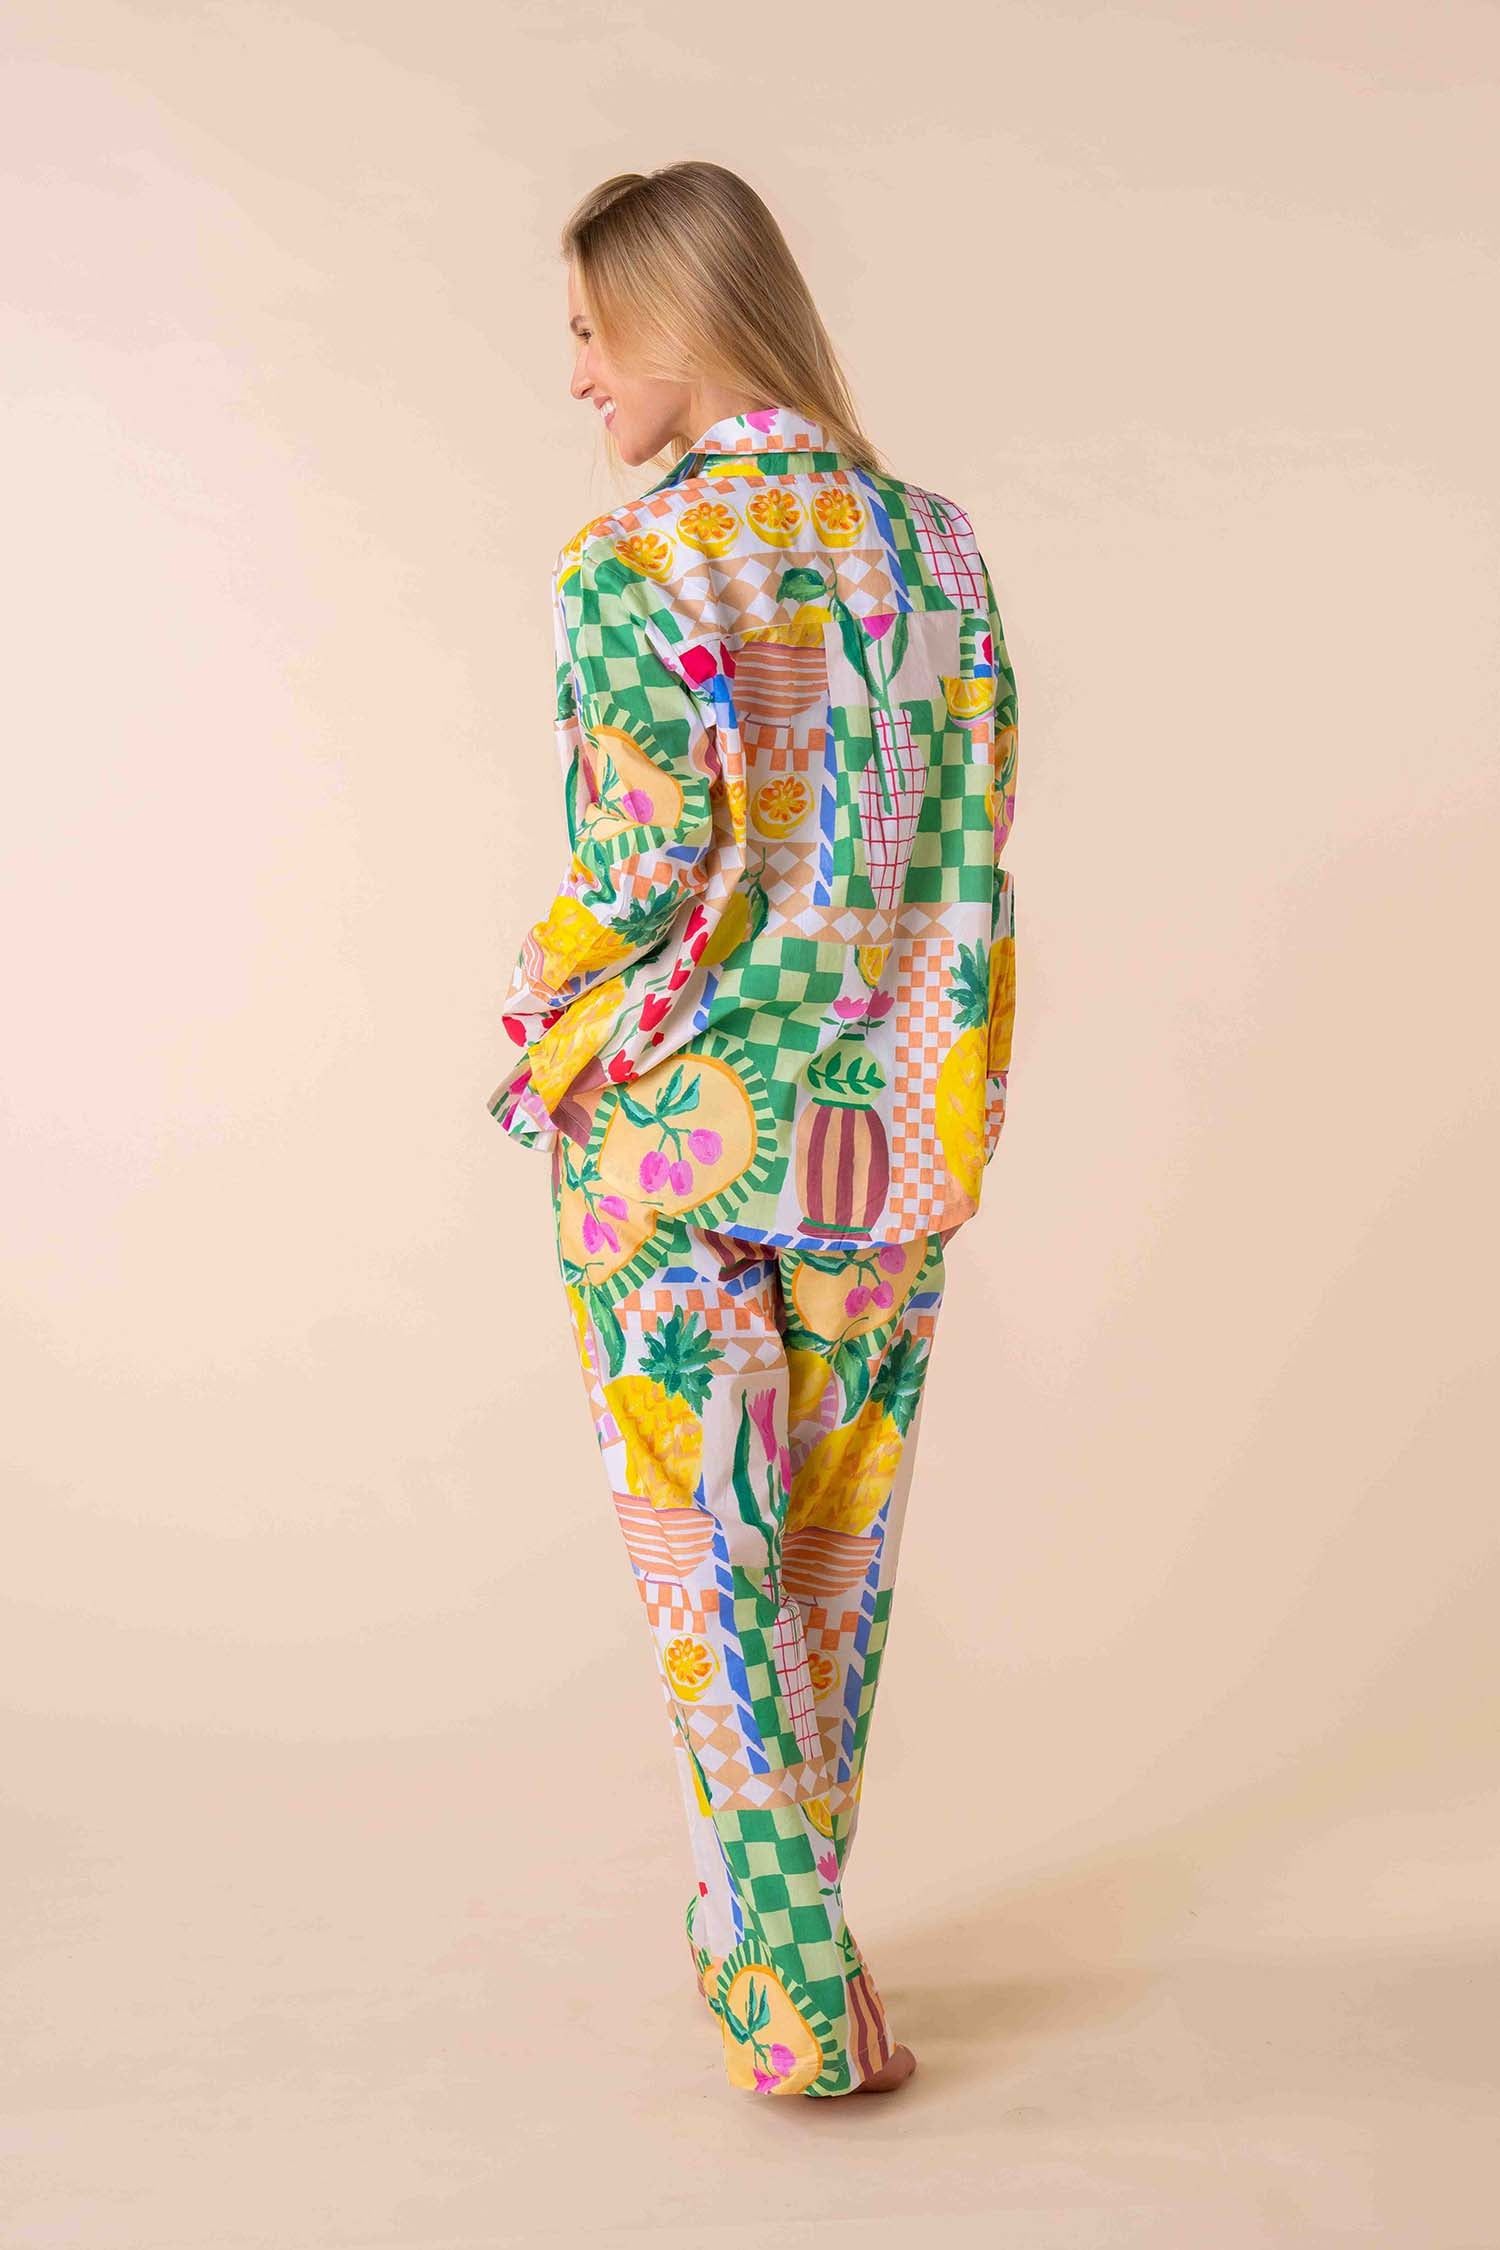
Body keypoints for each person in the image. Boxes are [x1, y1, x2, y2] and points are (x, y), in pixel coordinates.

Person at [486, 161, 1018, 2099]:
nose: (574, 375)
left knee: (704, 1561)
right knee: (826, 1559)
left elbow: (636, 872)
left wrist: (539, 1009)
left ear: (671, 319)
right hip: (892, 1123)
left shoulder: (631, 564)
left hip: (669, 1127)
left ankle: (791, 1986)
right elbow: (972, 845)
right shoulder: (939, 551)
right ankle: (785, 1947)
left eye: (586, 330)